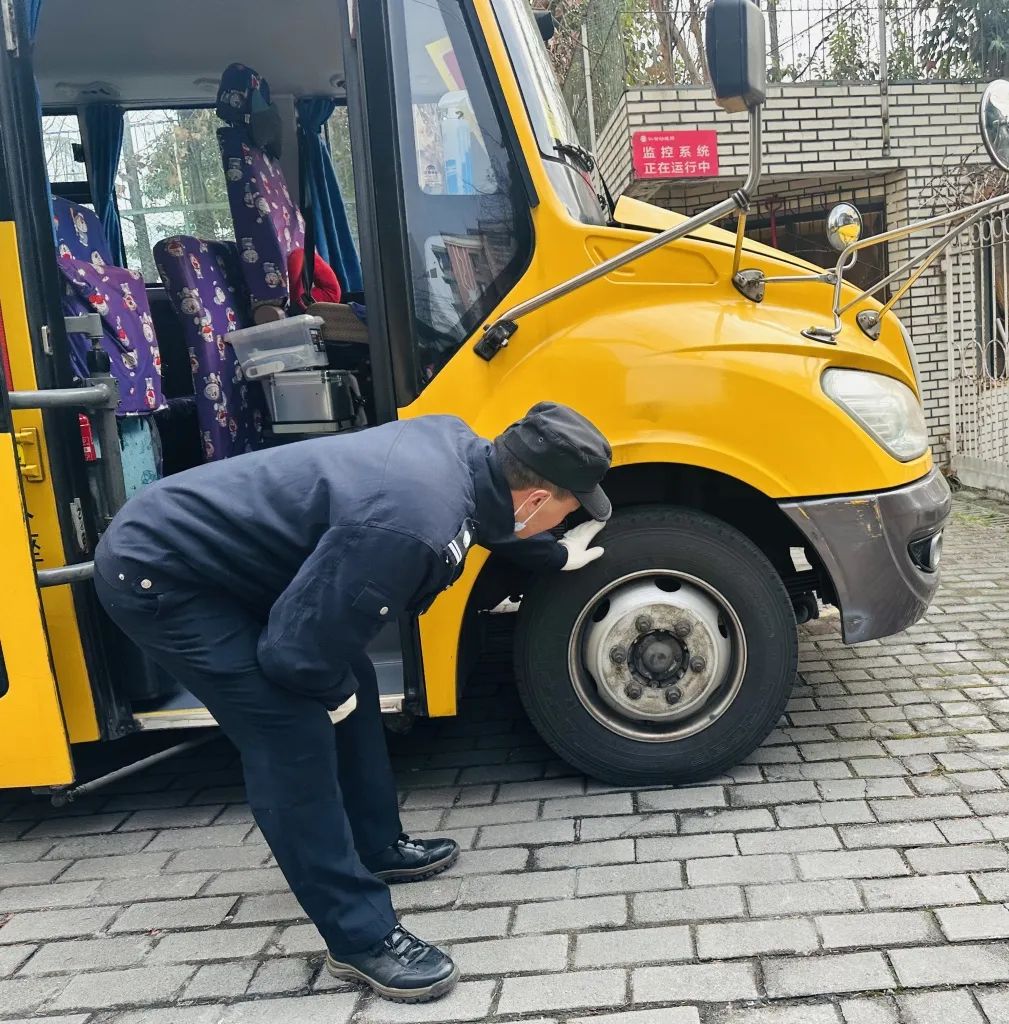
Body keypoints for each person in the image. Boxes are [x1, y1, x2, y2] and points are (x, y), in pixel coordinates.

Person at [93, 402, 611, 1004]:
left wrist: (554, 554)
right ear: (537, 500)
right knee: (290, 732)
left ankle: (375, 845)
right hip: (161, 574)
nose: (558, 523)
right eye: (564, 514)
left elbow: (490, 516)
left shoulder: (463, 450)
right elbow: (294, 657)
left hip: (220, 560)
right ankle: (360, 939)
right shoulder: (410, 527)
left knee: (355, 679)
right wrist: (328, 694)